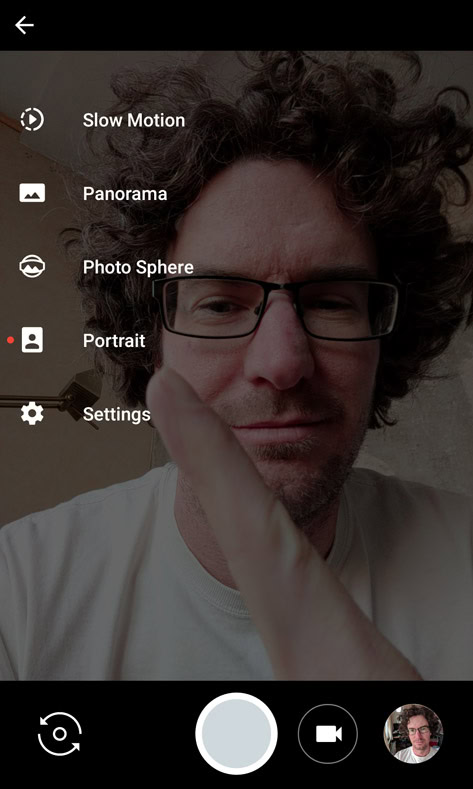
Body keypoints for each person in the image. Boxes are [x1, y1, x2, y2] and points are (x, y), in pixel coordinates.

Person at [1, 51, 473, 681]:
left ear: (386, 340)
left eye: (331, 302)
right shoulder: (19, 593)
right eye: (220, 304)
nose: (282, 362)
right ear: (152, 342)